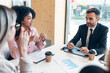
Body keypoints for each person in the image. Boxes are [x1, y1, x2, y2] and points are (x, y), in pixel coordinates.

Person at [0, 5, 32, 73]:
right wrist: (23, 49)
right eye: (15, 25)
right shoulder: (3, 67)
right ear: (5, 30)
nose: (16, 29)